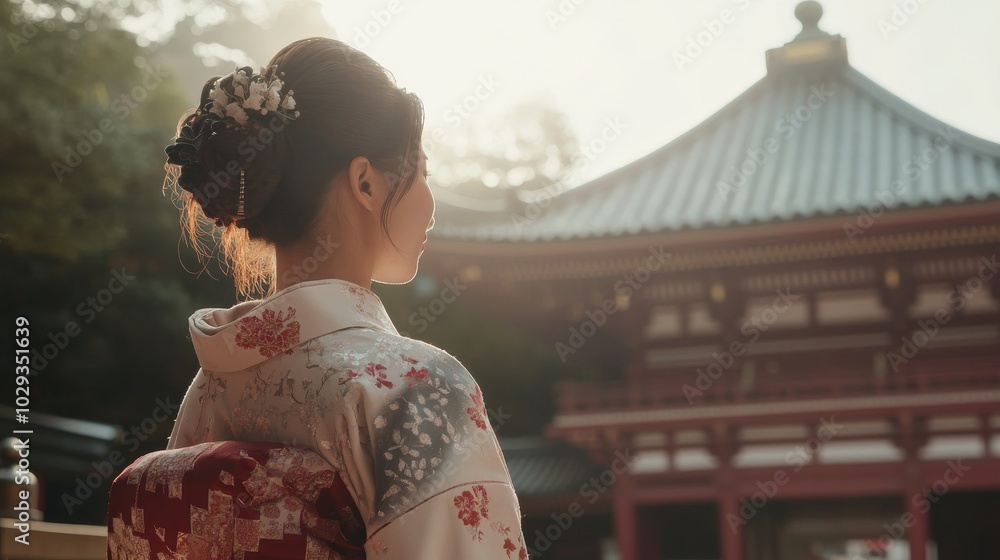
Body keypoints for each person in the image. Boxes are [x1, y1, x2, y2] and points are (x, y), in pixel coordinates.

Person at [159, 37, 527, 558]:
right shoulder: (413, 387)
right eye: (422, 172)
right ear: (365, 183)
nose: (431, 203)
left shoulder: (209, 390)